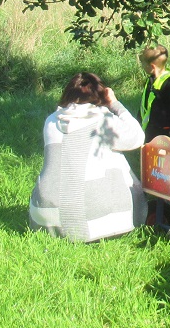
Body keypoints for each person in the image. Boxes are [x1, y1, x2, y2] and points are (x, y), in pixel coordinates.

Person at [28, 73, 147, 242]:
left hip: (41, 214)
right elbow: (137, 137)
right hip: (85, 219)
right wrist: (115, 104)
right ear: (100, 96)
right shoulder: (103, 120)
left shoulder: (51, 121)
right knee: (115, 156)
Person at [138, 45, 170, 143]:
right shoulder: (150, 79)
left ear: (152, 66)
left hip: (163, 129)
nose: (142, 67)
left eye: (143, 64)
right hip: (150, 127)